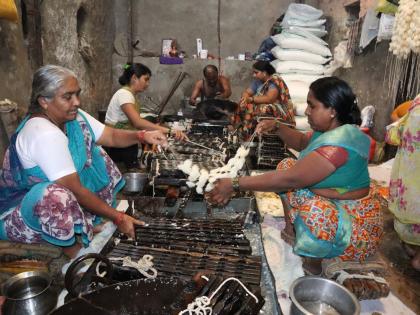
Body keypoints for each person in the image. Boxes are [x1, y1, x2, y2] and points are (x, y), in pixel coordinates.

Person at [209, 77, 383, 275]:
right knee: (287, 164)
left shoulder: (339, 145)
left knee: (314, 211)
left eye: (312, 106)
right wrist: (277, 126)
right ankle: (293, 231)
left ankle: (314, 265)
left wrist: (235, 183)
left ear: (332, 111)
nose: (307, 111)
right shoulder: (328, 130)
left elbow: (291, 179)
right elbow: (301, 141)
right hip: (330, 197)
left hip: (354, 224)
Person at [0, 65, 169, 258]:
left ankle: (88, 220)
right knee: (54, 195)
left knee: (95, 151)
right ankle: (73, 251)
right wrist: (118, 217)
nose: (77, 102)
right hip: (23, 215)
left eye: (77, 95)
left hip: (69, 201)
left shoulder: (73, 119)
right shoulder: (43, 133)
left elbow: (111, 136)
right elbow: (76, 190)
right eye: (68, 97)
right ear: (44, 101)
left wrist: (143, 136)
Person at [105, 63, 186, 169]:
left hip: (123, 140)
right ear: (134, 78)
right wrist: (169, 130)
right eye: (146, 79)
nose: (147, 84)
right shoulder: (124, 94)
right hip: (117, 144)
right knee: (122, 173)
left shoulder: (129, 94)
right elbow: (137, 123)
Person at [386, 95, 420, 271]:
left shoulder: (417, 103)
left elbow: (393, 135)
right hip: (412, 181)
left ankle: (411, 247)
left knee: (410, 220)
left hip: (409, 182)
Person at [232, 60, 294, 140]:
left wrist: (250, 99)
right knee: (242, 105)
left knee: (261, 108)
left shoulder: (274, 81)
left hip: (276, 108)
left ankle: (253, 135)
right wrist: (245, 98)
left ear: (264, 73)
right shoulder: (257, 82)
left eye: (256, 72)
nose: (254, 75)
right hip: (260, 104)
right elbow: (247, 92)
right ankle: (242, 134)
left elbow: (269, 99)